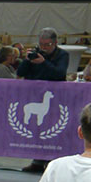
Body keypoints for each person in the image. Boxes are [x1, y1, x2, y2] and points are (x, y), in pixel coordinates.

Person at [18, 28, 70, 173]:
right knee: (37, 128)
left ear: (55, 43)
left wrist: (43, 62)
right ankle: (37, 161)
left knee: (52, 129)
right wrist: (28, 59)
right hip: (34, 95)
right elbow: (20, 72)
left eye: (47, 45)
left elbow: (59, 73)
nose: (44, 48)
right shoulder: (36, 52)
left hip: (56, 97)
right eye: (41, 44)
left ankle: (53, 162)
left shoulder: (63, 55)